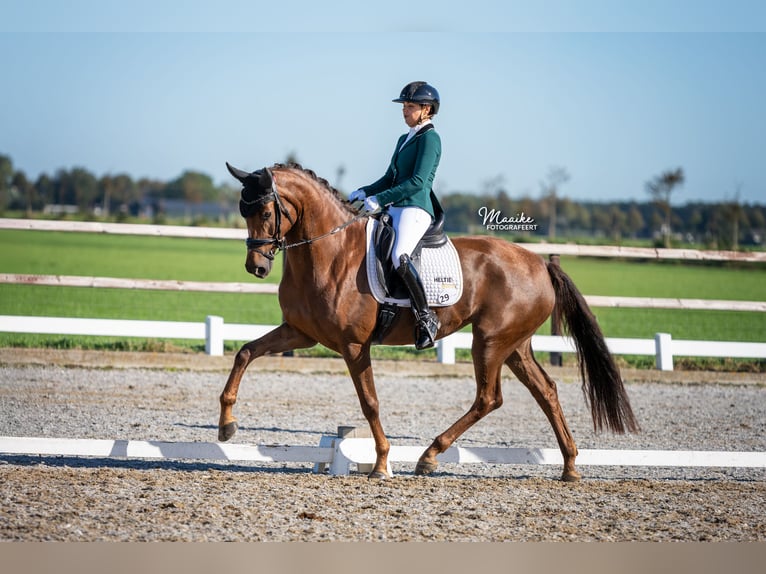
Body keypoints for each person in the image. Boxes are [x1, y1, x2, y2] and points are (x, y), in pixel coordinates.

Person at [349, 81, 442, 350]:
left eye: (410, 106)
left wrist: (378, 199)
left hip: (415, 207)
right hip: (395, 207)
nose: (404, 110)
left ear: (426, 109)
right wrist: (365, 190)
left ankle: (426, 318)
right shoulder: (404, 139)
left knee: (399, 255)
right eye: (403, 106)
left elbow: (417, 181)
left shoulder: (430, 139)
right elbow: (390, 177)